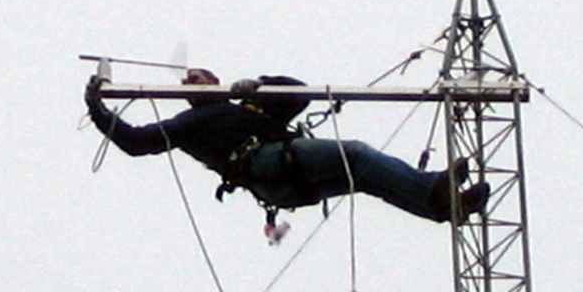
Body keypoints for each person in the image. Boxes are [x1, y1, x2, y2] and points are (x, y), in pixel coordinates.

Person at [85, 68, 489, 225]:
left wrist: (262, 83)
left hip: (285, 170)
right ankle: (432, 187)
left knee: (364, 175)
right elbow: (136, 142)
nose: (197, 81)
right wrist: (99, 110)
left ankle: (440, 207)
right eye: (191, 82)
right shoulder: (190, 124)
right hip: (267, 167)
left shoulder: (250, 107)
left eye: (202, 76)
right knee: (357, 154)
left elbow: (300, 95)